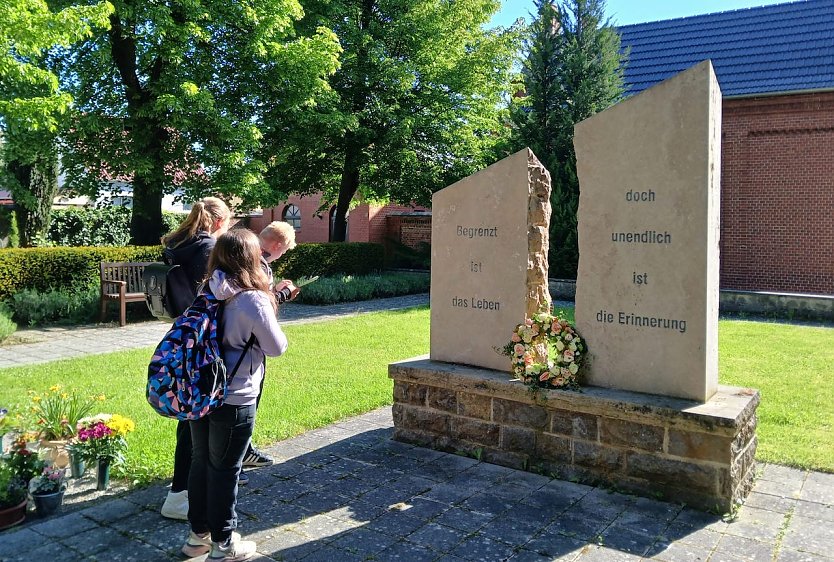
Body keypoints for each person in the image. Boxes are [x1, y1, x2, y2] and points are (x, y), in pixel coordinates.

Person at [181, 229, 289, 561]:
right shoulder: (252, 298)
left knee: (200, 463)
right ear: (251, 258)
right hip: (235, 395)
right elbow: (276, 347)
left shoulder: (209, 289)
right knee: (226, 469)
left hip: (201, 391)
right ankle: (224, 544)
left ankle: (198, 536)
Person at [160, 197, 231, 520]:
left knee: (190, 414)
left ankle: (182, 488)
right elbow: (217, 294)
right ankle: (179, 494)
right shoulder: (207, 249)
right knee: (195, 416)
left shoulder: (180, 243)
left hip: (183, 333)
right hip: (202, 339)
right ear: (218, 221)